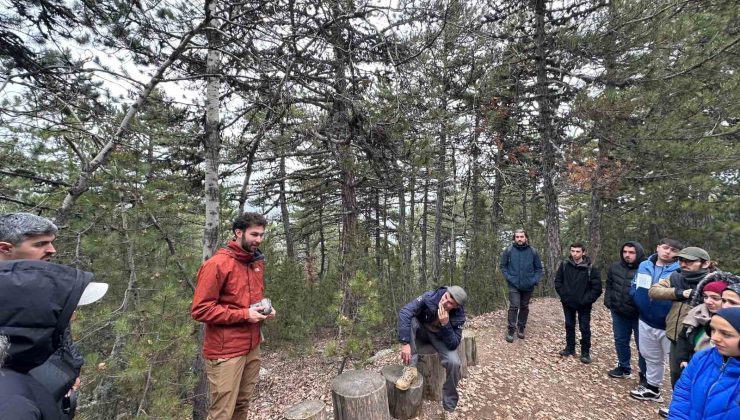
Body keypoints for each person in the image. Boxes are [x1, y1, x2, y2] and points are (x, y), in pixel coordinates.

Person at [0, 213, 107, 418]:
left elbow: (58, 338)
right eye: (40, 244)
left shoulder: (46, 288)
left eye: (51, 243)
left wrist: (68, 372)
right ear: (5, 248)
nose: (52, 250)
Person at [191, 212, 276, 420]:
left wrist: (264, 309)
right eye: (254, 234)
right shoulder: (217, 264)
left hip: (252, 346)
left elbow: (247, 300)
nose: (258, 240)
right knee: (222, 413)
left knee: (242, 405)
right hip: (225, 351)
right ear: (238, 232)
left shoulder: (254, 263)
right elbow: (200, 309)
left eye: (261, 235)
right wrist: (245, 314)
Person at [396, 286, 467, 420]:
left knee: (454, 362)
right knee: (410, 319)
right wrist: (405, 343)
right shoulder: (430, 297)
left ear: (456, 306)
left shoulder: (459, 315)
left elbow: (454, 343)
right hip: (422, 332)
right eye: (446, 296)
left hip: (440, 337)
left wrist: (445, 324)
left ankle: (449, 407)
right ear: (445, 293)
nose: (446, 302)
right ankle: (410, 369)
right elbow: (405, 311)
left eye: (451, 303)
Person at [648, 246, 712, 388]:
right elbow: (653, 290)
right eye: (681, 260)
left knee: (698, 381)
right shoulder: (676, 277)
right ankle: (676, 407)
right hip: (675, 336)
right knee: (676, 376)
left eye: (689, 261)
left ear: (706, 263)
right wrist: (680, 293)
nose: (683, 264)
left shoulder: (713, 284)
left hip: (700, 342)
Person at [629, 238, 682, 403]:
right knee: (650, 356)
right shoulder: (645, 265)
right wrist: (636, 297)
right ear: (658, 247)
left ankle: (679, 401)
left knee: (676, 362)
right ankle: (653, 389)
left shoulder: (680, 271)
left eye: (673, 250)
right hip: (645, 319)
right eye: (665, 248)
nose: (668, 252)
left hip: (668, 324)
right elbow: (635, 284)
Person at [668, 307, 740, 419]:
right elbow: (682, 395)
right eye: (713, 330)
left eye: (726, 334)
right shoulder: (702, 358)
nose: (714, 338)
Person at [604, 241, 647, 381]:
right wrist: (609, 301)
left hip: (639, 314)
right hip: (619, 311)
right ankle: (624, 367)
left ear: (638, 253)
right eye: (625, 252)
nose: (627, 255)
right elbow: (609, 284)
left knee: (643, 346)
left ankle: (645, 375)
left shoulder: (646, 268)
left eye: (631, 252)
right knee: (620, 340)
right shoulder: (615, 267)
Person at [554, 243, 602, 364]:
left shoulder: (591, 268)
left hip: (584, 304)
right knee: (569, 325)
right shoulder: (565, 265)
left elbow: (597, 288)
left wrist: (587, 299)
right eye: (573, 251)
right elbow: (558, 281)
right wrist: (564, 295)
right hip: (567, 302)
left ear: (583, 252)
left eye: (577, 251)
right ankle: (570, 348)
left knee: (584, 327)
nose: (575, 254)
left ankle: (585, 352)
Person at [499, 229, 543, 342]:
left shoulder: (533, 251)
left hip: (528, 284)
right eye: (517, 237)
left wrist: (534, 280)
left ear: (526, 238)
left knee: (524, 306)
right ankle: (511, 329)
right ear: (514, 238)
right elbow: (503, 266)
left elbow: (538, 268)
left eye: (521, 236)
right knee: (514, 306)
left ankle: (521, 327)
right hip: (513, 284)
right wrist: (509, 277)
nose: (519, 239)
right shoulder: (509, 250)